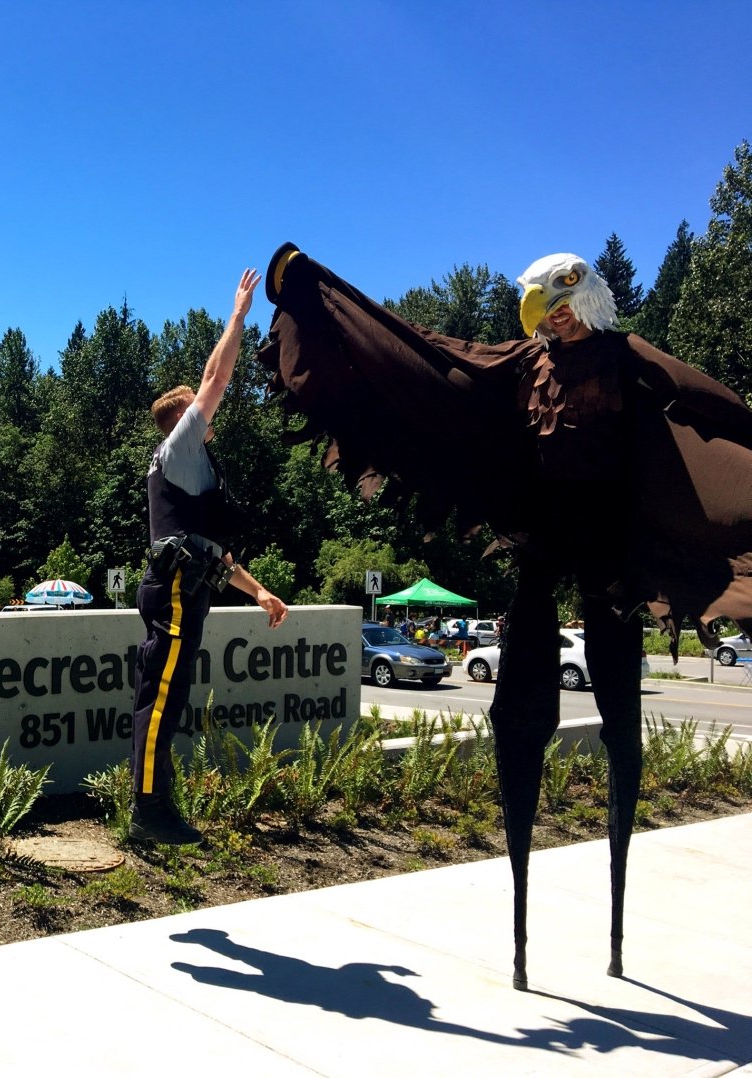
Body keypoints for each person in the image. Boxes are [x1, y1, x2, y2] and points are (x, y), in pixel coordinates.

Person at [257, 243, 752, 988]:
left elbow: (709, 403)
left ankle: (616, 932)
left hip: (614, 559)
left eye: (561, 296)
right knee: (519, 715)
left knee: (621, 720)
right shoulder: (526, 363)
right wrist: (318, 293)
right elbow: (437, 357)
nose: (552, 314)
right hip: (541, 547)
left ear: (585, 294)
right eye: (542, 302)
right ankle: (521, 937)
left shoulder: (625, 357)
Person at [130, 268, 289, 846]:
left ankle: (156, 805)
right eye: (201, 412)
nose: (211, 416)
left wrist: (259, 591)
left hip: (186, 587)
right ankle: (149, 811)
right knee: (160, 701)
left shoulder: (194, 470)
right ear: (183, 421)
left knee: (167, 700)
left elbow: (212, 553)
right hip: (175, 591)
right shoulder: (179, 447)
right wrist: (239, 315)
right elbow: (213, 377)